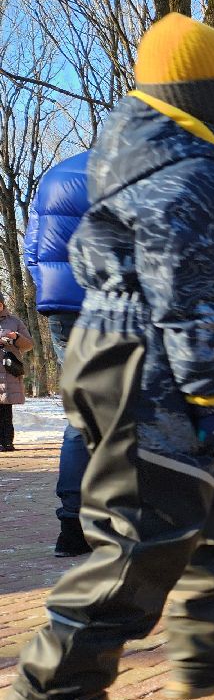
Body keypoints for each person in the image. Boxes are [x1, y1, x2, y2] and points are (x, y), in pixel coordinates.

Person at [0, 13, 214, 700]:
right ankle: (52, 686)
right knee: (145, 531)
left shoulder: (147, 168)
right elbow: (190, 294)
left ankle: (208, 651)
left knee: (213, 501)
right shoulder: (194, 179)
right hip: (148, 373)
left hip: (123, 355)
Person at [22, 151, 92, 555]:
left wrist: (52, 291)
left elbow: (32, 250)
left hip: (62, 307)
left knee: (81, 414)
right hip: (116, 306)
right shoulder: (132, 169)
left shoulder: (55, 175)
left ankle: (72, 526)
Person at [0, 295, 33, 453]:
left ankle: (7, 442)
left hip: (8, 368)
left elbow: (28, 344)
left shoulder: (14, 321)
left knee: (6, 408)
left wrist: (15, 338)